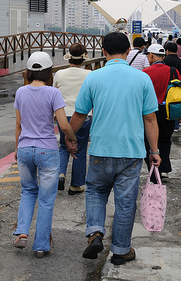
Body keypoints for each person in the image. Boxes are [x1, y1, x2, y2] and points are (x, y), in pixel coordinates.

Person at [71, 31, 160, 266]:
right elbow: (150, 119)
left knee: (95, 191)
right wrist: (155, 151)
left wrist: (69, 138)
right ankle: (121, 251)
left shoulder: (93, 77)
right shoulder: (142, 79)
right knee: (125, 202)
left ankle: (95, 233)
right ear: (129, 51)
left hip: (101, 149)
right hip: (131, 153)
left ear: (104, 51)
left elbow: (80, 113)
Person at [13, 51, 77, 258]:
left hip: (24, 149)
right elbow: (63, 124)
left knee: (28, 191)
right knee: (47, 199)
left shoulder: (21, 92)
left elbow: (18, 124)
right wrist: (72, 138)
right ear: (49, 71)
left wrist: (17, 149)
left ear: (29, 71)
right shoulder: (53, 93)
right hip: (47, 150)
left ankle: (22, 232)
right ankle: (40, 245)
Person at [53, 43, 92, 195]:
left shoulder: (59, 74)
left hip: (64, 116)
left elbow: (54, 92)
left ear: (69, 56)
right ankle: (76, 184)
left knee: (63, 146)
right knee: (80, 149)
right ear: (83, 58)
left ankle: (61, 173)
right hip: (83, 116)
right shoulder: (89, 75)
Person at [143, 44, 181, 182]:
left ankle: (154, 172)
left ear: (152, 55)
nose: (148, 57)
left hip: (150, 112)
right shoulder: (173, 71)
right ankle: (164, 168)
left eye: (148, 55)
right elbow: (179, 93)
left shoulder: (145, 72)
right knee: (165, 139)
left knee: (150, 141)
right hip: (169, 111)